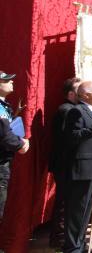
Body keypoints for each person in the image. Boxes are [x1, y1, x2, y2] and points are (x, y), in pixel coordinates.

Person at [62, 81, 92, 253]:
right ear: (85, 95)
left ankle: (80, 244)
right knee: (77, 209)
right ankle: (72, 246)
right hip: (82, 167)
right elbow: (73, 136)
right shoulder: (76, 111)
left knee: (87, 210)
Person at [48, 77, 81, 248]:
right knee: (63, 202)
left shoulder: (74, 109)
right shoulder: (66, 110)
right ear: (70, 93)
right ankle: (59, 238)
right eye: (78, 90)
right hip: (65, 164)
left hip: (71, 163)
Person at [0, 71, 29, 221]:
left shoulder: (4, 105)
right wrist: (21, 144)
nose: (11, 82)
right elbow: (5, 135)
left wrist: (16, 114)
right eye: (6, 80)